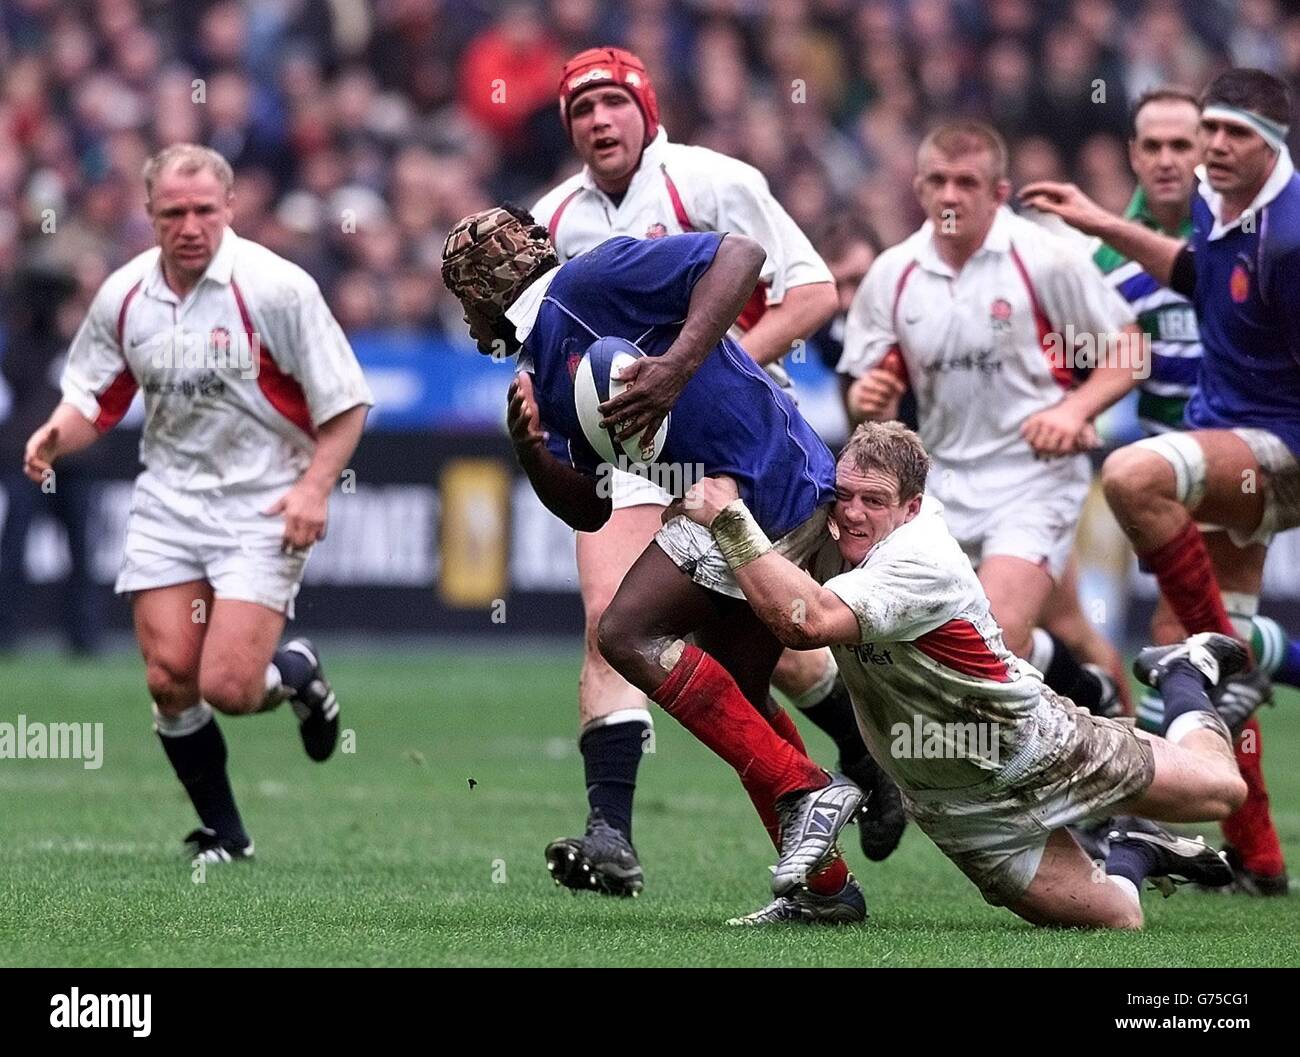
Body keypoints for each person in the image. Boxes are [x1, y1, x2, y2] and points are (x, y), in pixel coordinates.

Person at [526, 47, 899, 890]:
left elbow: (809, 293)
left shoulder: (715, 179)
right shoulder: (550, 218)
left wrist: (691, 375)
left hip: (733, 437)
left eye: (611, 103)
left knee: (785, 656)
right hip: (628, 445)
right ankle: (611, 832)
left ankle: (858, 771)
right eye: (579, 112)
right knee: (611, 619)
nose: (597, 122)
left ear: (646, 109)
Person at [441, 205, 865, 923]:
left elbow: (741, 254)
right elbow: (590, 507)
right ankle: (826, 889)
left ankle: (806, 787)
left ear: (479, 293)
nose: (469, 325)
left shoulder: (595, 274)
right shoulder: (542, 364)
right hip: (731, 496)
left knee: (625, 631)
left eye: (465, 305)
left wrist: (673, 368)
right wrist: (529, 452)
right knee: (741, 696)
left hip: (767, 483)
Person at [680, 421, 1245, 927]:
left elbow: (805, 624)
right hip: (954, 808)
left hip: (1038, 749)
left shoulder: (921, 558)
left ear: (911, 506)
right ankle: (1131, 848)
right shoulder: (832, 531)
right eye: (843, 495)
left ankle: (1184, 673)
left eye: (873, 501)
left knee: (1223, 792)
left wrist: (728, 520)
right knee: (1118, 917)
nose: (851, 513)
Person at [22, 145, 373, 863]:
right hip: (169, 501)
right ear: (148, 215)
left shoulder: (277, 287)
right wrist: (58, 433)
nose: (190, 225)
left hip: (263, 502)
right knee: (167, 676)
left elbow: (346, 403)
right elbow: (94, 394)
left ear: (231, 208)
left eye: (204, 210)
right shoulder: (124, 294)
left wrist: (312, 488)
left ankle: (296, 674)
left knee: (231, 687)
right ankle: (227, 833)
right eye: (173, 212)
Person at [1023, 68, 1300, 896]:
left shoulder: (1280, 236)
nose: (1195, 154)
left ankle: (1131, 832)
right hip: (1204, 458)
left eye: (1211, 137)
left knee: (1191, 652)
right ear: (1134, 156)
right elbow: (1177, 287)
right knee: (1222, 663)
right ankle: (1257, 857)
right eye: (1169, 142)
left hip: (1232, 459)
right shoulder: (1105, 259)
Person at [839, 120, 1139, 720]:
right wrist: (867, 399)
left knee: (992, 633)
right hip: (942, 483)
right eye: (939, 182)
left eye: (968, 183)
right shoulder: (892, 274)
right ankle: (1115, 724)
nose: (952, 196)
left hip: (1035, 477)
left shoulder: (1045, 258)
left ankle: (1124, 782)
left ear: (999, 193)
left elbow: (1129, 350)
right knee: (1070, 631)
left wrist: (1075, 409)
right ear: (919, 188)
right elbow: (863, 390)